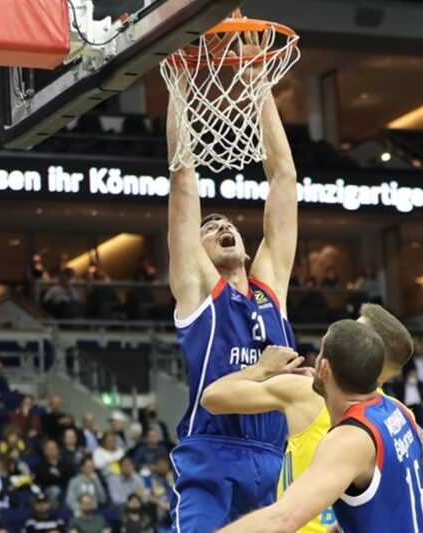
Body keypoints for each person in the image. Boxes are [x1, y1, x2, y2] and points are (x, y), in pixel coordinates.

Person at [165, 19, 299, 533]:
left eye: (226, 223)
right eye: (209, 227)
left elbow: (283, 178)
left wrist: (257, 79)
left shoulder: (271, 286)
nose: (221, 224)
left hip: (274, 457)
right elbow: (183, 181)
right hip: (212, 456)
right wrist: (179, 79)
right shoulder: (200, 291)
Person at [201, 305, 423, 532]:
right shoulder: (400, 414)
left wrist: (261, 369)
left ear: (324, 367)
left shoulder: (341, 428)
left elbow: (212, 397)